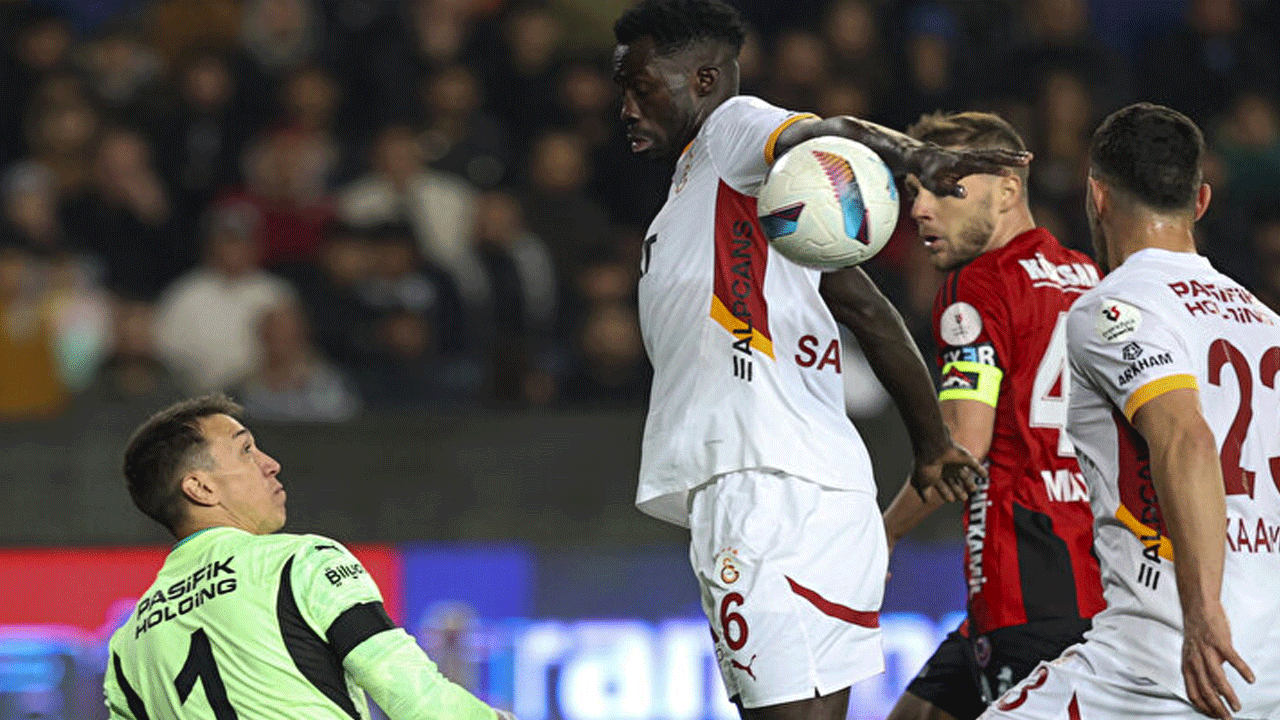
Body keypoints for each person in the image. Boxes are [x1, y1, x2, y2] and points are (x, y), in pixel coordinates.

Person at [611, 2, 1027, 718]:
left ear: (703, 78)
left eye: (640, 85)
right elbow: (869, 311)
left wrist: (912, 157)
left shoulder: (731, 130)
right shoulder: (762, 210)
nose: (625, 106)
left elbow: (824, 133)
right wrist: (932, 445)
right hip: (822, 491)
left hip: (759, 486)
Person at [980, 103, 1280, 720]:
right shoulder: (1265, 321)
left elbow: (1185, 438)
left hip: (1165, 663)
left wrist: (1201, 614)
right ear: (1200, 200)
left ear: (1097, 195)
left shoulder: (1113, 305)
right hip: (1269, 665)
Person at [880, 111, 1105, 720]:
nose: (921, 209)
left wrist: (885, 532)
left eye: (945, 188)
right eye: (913, 191)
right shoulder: (1091, 278)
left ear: (1008, 188)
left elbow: (963, 447)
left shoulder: (977, 285)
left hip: (1023, 582)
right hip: (1097, 575)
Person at [103, 395, 515, 720]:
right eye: (246, 450)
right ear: (202, 489)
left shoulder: (126, 649)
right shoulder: (299, 561)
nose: (271, 463)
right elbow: (418, 702)